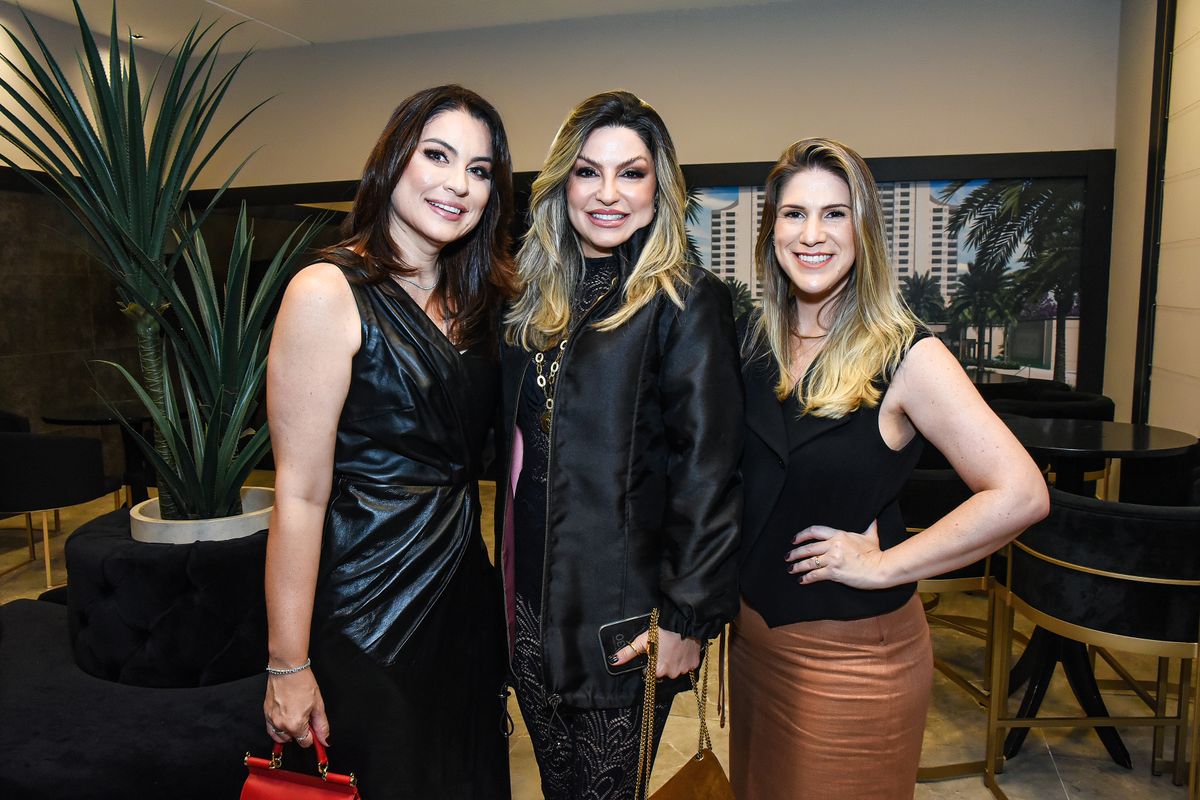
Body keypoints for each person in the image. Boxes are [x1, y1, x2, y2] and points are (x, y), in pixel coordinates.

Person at [730, 137, 1049, 799]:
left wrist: (887, 564)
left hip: (849, 665)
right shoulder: (756, 343)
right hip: (755, 647)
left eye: (835, 214)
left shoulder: (907, 353)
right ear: (770, 231)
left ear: (864, 230)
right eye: (793, 214)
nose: (812, 234)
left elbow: (1020, 493)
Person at [262, 85, 515, 799]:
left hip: (462, 598)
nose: (457, 184)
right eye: (437, 155)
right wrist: (287, 662)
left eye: (479, 169)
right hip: (364, 610)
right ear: (393, 160)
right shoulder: (326, 291)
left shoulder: (481, 303)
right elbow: (301, 493)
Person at [497, 90, 742, 800]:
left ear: (659, 187)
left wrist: (689, 617)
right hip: (530, 616)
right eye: (587, 172)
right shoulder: (534, 302)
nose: (608, 194)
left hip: (625, 625)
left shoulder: (684, 300)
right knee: (558, 788)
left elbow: (710, 471)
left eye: (630, 173)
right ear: (561, 185)